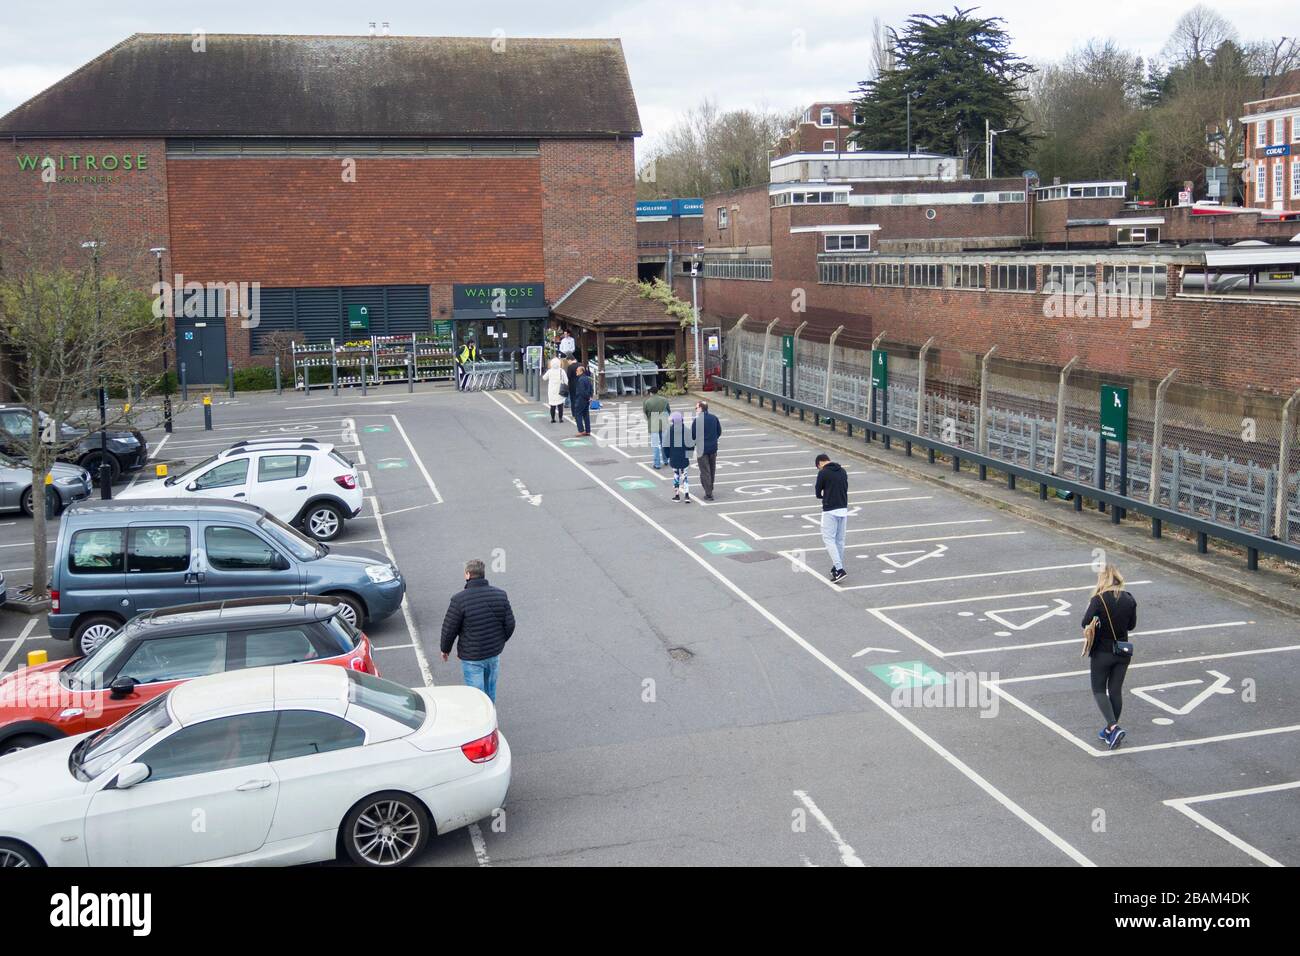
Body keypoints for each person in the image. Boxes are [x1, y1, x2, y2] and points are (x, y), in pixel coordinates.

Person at [439, 558, 516, 705]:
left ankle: (482, 724)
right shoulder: (500, 594)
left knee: (477, 696)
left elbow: (450, 628)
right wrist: (498, 642)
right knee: (490, 691)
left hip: (472, 657)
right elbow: (510, 624)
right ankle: (492, 721)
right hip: (493, 654)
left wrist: (445, 649)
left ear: (468, 574)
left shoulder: (459, 600)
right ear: (482, 574)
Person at [1082, 564, 1138, 750]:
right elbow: (1131, 626)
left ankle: (1113, 727)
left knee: (1099, 690)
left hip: (1102, 652)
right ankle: (1109, 731)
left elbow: (1084, 622)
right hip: (1122, 651)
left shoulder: (1099, 600)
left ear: (1102, 580)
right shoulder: (1129, 599)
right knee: (1115, 690)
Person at [814, 453, 848, 582]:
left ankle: (839, 569)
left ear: (819, 463)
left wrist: (823, 496)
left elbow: (818, 491)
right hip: (843, 509)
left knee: (828, 539)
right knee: (840, 540)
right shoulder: (843, 471)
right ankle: (836, 567)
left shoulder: (823, 473)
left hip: (830, 510)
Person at [691, 400, 722, 500]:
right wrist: (713, 439)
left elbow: (693, 435)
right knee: (712, 469)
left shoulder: (697, 420)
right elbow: (719, 431)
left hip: (702, 449)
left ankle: (708, 493)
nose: (696, 410)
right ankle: (710, 487)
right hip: (713, 448)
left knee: (705, 471)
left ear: (700, 408)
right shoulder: (714, 418)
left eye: (696, 408)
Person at [665, 411, 693, 502]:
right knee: (685, 476)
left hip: (674, 456)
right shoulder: (687, 430)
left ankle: (677, 495)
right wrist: (689, 455)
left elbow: (666, 445)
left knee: (676, 475)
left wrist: (668, 455)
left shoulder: (669, 431)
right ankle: (687, 495)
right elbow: (691, 444)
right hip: (684, 456)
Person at [642, 386, 670, 469]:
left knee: (655, 444)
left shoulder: (647, 401)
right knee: (664, 442)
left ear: (650, 393)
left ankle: (657, 463)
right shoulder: (664, 400)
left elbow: (646, 414)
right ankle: (665, 460)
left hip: (653, 420)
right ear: (657, 391)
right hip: (663, 420)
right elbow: (668, 410)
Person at [571, 364, 593, 437]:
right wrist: (590, 397)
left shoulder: (580, 380)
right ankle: (588, 430)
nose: (576, 372)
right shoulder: (587, 378)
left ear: (581, 371)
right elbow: (591, 388)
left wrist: (587, 397)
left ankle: (581, 430)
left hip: (581, 399)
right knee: (586, 415)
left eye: (577, 370)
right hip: (587, 399)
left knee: (578, 414)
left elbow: (582, 391)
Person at [543, 356, 567, 424]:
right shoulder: (561, 371)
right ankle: (560, 418)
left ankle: (553, 419)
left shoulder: (549, 371)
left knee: (552, 405)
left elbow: (544, 378)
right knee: (560, 405)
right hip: (560, 390)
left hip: (551, 390)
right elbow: (566, 380)